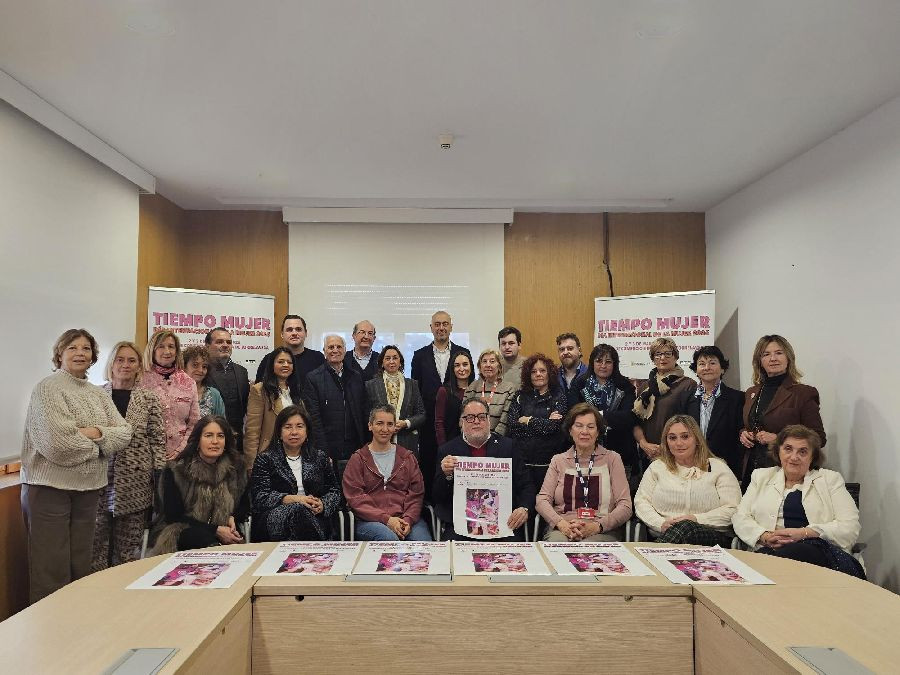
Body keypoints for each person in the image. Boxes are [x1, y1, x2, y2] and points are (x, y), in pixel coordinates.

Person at [21, 329, 132, 603]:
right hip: (49, 488)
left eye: (86, 348)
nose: (80, 353)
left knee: (81, 565)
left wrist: (91, 432)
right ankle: (50, 624)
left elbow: (124, 433)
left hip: (89, 489)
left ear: (93, 356)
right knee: (51, 569)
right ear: (59, 353)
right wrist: (102, 444)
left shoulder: (98, 394)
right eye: (72, 348)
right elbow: (58, 444)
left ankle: (76, 621)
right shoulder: (47, 388)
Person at [732, 425, 864, 579]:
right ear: (778, 451)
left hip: (821, 555)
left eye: (802, 451)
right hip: (768, 549)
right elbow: (740, 517)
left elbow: (850, 527)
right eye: (788, 449)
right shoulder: (761, 477)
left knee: (795, 551)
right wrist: (764, 536)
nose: (794, 457)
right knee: (773, 558)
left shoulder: (830, 480)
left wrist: (805, 534)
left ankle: (756, 574)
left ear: (812, 457)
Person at [92, 341, 165, 571]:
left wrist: (159, 478)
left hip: (136, 483)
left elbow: (157, 440)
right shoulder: (95, 395)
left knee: (128, 551)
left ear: (139, 366)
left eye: (131, 360)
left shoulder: (149, 398)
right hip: (98, 481)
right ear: (111, 364)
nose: (125, 365)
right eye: (120, 359)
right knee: (95, 547)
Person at [433, 399, 535, 541]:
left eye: (481, 417)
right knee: (450, 552)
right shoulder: (448, 450)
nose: (476, 421)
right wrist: (447, 475)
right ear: (461, 422)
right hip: (461, 524)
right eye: (470, 417)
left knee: (514, 553)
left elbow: (526, 485)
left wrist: (524, 508)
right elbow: (437, 496)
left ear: (488, 420)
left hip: (503, 522)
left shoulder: (508, 447)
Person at [633, 415, 741, 546]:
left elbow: (733, 509)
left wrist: (696, 519)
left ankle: (652, 555)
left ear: (697, 439)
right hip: (663, 533)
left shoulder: (718, 467)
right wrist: (660, 523)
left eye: (685, 437)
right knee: (682, 528)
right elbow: (641, 502)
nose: (679, 443)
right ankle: (658, 552)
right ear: (666, 441)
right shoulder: (657, 467)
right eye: (672, 438)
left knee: (685, 527)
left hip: (710, 537)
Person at [149, 416, 249, 553]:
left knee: (237, 543)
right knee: (201, 538)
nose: (215, 441)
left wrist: (234, 517)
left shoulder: (237, 468)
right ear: (198, 441)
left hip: (224, 530)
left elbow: (245, 504)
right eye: (208, 435)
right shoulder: (177, 470)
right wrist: (215, 530)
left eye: (220, 436)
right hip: (182, 531)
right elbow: (174, 516)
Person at [536, 403, 632, 541]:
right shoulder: (558, 460)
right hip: (564, 528)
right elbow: (542, 500)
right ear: (570, 430)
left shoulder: (612, 459)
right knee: (557, 546)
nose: (585, 431)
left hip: (601, 530)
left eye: (591, 427)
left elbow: (625, 506)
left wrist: (596, 526)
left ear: (598, 432)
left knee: (590, 551)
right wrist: (561, 523)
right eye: (579, 426)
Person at [739, 334, 826, 485]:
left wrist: (778, 439)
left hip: (786, 471)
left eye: (779, 353)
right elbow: (751, 424)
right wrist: (743, 434)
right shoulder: (751, 392)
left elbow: (818, 438)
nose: (773, 358)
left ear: (788, 358)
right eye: (766, 354)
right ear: (759, 361)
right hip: (752, 470)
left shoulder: (803, 393)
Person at [249, 405, 341, 542]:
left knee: (306, 514)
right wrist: (296, 499)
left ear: (307, 431)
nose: (294, 432)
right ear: (279, 432)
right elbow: (260, 497)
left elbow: (334, 491)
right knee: (299, 509)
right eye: (288, 427)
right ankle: (317, 550)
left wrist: (322, 504)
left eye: (299, 426)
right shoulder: (265, 459)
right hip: (275, 518)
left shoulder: (320, 457)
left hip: (315, 515)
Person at [343, 405, 431, 541]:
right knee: (389, 540)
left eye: (390, 424)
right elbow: (356, 498)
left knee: (423, 545)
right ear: (370, 426)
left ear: (395, 427)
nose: (385, 429)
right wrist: (387, 520)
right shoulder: (357, 459)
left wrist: (408, 519)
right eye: (379, 423)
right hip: (369, 521)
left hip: (406, 519)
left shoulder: (408, 458)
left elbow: (416, 494)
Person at [411, 310, 472, 498]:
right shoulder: (419, 355)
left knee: (460, 466)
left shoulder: (463, 353)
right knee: (430, 464)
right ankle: (431, 506)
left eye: (445, 324)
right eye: (437, 324)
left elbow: (470, 387)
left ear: (451, 327)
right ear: (431, 328)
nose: (441, 328)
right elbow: (416, 391)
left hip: (458, 421)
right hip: (429, 422)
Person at [568, 344, 638, 474]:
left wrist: (597, 415)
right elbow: (573, 413)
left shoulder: (625, 386)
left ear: (614, 364)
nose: (603, 365)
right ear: (592, 363)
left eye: (608, 362)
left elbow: (629, 417)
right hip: (585, 451)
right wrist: (609, 417)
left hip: (620, 451)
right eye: (599, 361)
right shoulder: (579, 384)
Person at [506, 353, 569, 488]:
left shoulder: (559, 396)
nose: (538, 374)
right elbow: (512, 426)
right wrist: (545, 423)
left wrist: (528, 420)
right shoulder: (519, 396)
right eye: (533, 371)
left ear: (549, 373)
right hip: (522, 462)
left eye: (542, 371)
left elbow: (554, 428)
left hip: (549, 464)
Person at [633, 338, 696, 470]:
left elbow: (691, 423)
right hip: (648, 453)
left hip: (676, 453)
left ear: (675, 356)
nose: (663, 358)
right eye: (658, 354)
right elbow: (635, 421)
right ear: (653, 358)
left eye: (668, 354)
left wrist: (667, 447)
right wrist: (644, 444)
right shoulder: (645, 387)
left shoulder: (688, 385)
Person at [302, 334, 367, 462]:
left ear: (345, 350)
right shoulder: (313, 378)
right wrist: (323, 452)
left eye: (339, 347)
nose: (335, 350)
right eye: (331, 347)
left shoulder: (356, 376)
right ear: (324, 351)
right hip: (327, 448)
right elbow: (314, 419)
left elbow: (363, 412)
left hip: (355, 447)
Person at [140, 330, 200, 463]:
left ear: (177, 351)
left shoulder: (189, 382)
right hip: (146, 456)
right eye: (161, 346)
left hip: (181, 458)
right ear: (152, 350)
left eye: (171, 346)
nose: (167, 351)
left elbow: (194, 423)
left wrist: (181, 450)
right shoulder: (140, 380)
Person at [686, 346, 745, 479]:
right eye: (702, 364)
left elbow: (740, 434)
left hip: (725, 465)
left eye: (712, 363)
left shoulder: (737, 398)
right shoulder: (686, 398)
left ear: (722, 368)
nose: (707, 367)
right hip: (692, 464)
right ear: (696, 370)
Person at [244, 346, 305, 466]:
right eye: (281, 362)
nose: (285, 365)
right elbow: (252, 431)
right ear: (272, 365)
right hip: (269, 455)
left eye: (289, 362)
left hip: (296, 454)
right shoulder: (259, 390)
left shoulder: (297, 390)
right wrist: (251, 464)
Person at [364, 346, 426, 456]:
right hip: (380, 441)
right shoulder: (371, 385)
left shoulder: (412, 384)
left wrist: (406, 423)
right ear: (382, 363)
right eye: (387, 358)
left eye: (395, 358)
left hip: (407, 441)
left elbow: (421, 414)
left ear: (400, 362)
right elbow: (366, 415)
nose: (391, 361)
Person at [205, 327, 250, 452]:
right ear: (207, 346)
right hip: (210, 440)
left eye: (228, 342)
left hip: (237, 442)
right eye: (219, 342)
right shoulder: (201, 371)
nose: (225, 345)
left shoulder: (242, 372)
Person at [254, 314, 325, 388]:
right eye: (289, 330)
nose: (294, 333)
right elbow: (260, 391)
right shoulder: (269, 359)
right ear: (282, 334)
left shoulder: (318, 358)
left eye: (298, 329)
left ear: (306, 333)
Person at [462, 348, 516, 435]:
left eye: (492, 361)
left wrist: (493, 440)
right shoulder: (472, 387)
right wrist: (469, 436)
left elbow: (504, 422)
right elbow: (463, 416)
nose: (488, 365)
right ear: (480, 367)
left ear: (499, 366)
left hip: (497, 439)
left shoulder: (509, 389)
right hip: (472, 437)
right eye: (484, 361)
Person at [435, 352, 475, 447]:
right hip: (451, 444)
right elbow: (439, 423)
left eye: (465, 364)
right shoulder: (444, 391)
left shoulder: (477, 389)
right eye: (457, 365)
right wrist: (444, 447)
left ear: (471, 367)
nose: (461, 369)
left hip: (475, 444)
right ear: (452, 369)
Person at [182, 344, 225, 418]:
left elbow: (221, 423)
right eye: (195, 365)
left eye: (204, 367)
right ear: (184, 367)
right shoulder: (174, 392)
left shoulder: (214, 394)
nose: (200, 370)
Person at [556, 332, 587, 399]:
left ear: (579, 351)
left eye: (570, 348)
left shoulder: (590, 375)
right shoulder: (553, 376)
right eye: (562, 349)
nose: (565, 352)